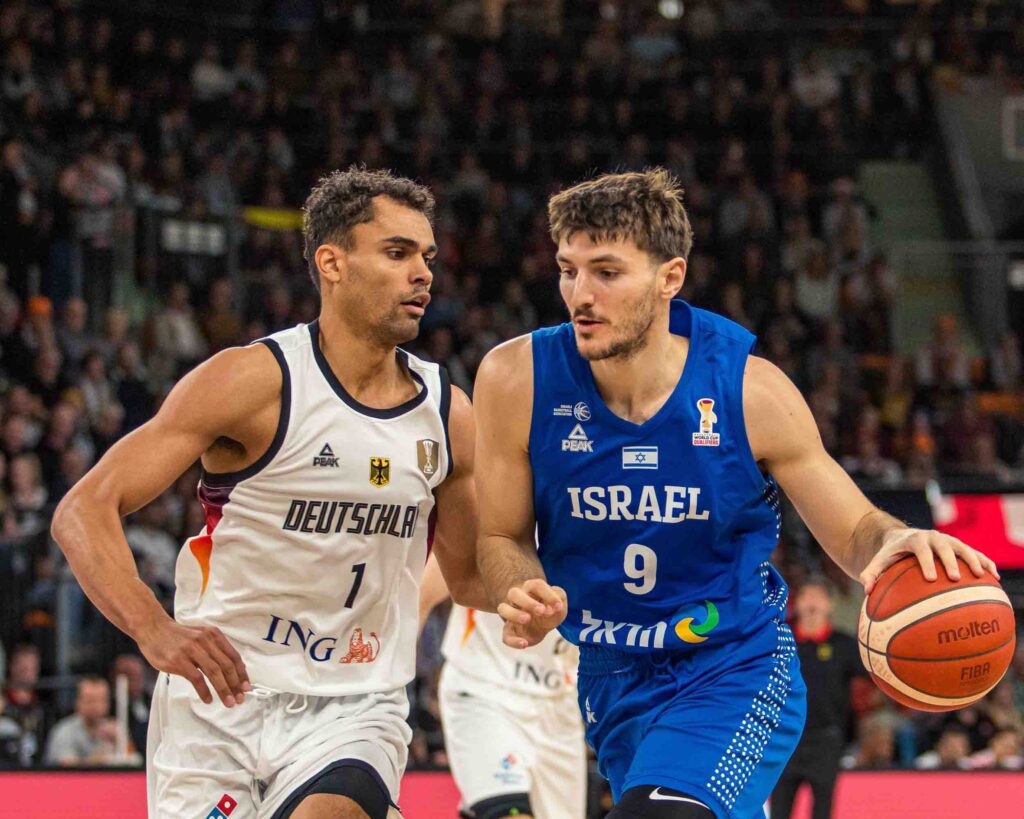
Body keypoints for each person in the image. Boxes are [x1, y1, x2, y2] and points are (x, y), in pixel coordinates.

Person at [472, 169, 998, 819]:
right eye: (568, 270)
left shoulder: (749, 391)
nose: (580, 294)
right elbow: (501, 535)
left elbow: (855, 528)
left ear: (670, 277)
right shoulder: (514, 379)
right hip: (611, 675)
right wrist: (519, 587)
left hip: (733, 667)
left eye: (606, 272)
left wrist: (895, 538)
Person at [51, 167, 487, 819]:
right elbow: (83, 509)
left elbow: (472, 576)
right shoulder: (253, 381)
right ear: (332, 263)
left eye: (426, 256)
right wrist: (153, 628)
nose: (422, 273)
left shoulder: (447, 412)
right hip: (219, 700)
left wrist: (549, 586)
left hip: (353, 704)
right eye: (397, 253)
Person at [419, 554, 586, 819]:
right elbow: (424, 594)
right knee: (510, 813)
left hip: (560, 701)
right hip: (485, 685)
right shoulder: (496, 524)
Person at [771, 578, 866, 819]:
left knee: (823, 810)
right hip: (785, 738)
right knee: (779, 809)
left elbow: (874, 677)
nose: (812, 603)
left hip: (827, 740)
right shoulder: (781, 643)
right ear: (796, 603)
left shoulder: (843, 644)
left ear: (829, 604)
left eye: (819, 597)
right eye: (806, 596)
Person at [44, 676, 117, 766]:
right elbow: (69, 768)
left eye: (101, 700)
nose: (96, 706)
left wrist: (120, 741)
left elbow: (131, 761)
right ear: (78, 702)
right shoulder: (64, 731)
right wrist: (98, 759)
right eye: (90, 700)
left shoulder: (113, 730)